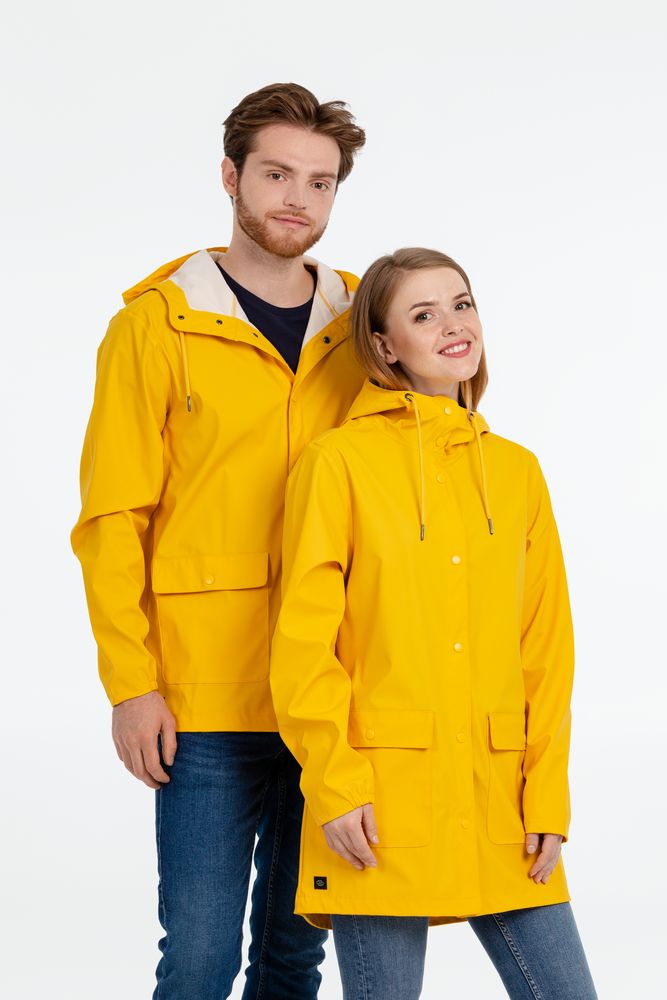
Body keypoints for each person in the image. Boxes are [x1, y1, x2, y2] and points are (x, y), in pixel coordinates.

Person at [71, 83, 366, 1000]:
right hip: (204, 699)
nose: (297, 199)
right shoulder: (154, 326)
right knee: (199, 961)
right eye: (276, 174)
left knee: (294, 954)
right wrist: (131, 684)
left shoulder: (364, 323)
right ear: (231, 177)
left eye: (319, 182)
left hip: (333, 689)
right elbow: (112, 519)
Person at [270, 248, 598, 999]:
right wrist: (336, 784)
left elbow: (546, 648)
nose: (453, 325)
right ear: (383, 346)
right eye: (423, 315)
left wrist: (547, 793)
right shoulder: (337, 463)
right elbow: (303, 646)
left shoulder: (516, 471)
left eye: (461, 304)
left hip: (501, 799)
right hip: (381, 802)